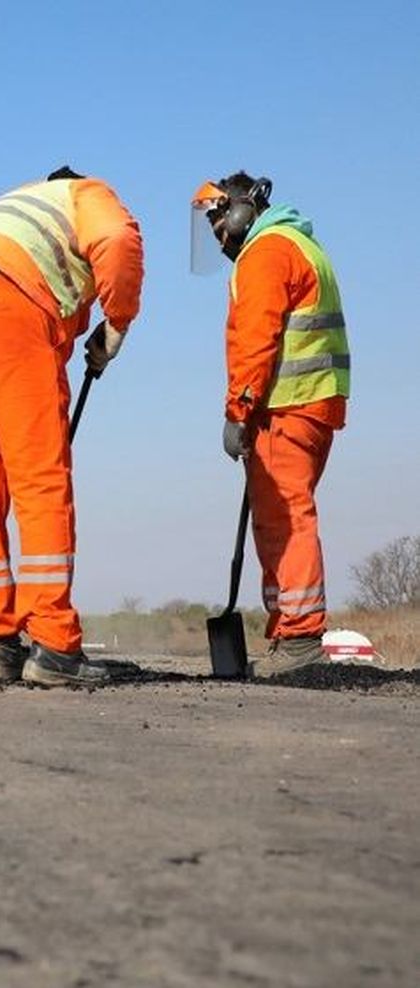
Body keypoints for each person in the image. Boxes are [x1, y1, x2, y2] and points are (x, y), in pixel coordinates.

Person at [0, 167, 144, 686]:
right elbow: (116, 239)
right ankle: (55, 647)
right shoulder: (85, 193)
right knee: (40, 479)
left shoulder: (11, 209)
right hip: (3, 306)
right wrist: (117, 325)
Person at [191, 172, 350, 678]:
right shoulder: (303, 244)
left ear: (244, 208)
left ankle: (300, 636)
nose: (219, 237)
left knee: (284, 518)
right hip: (311, 406)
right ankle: (287, 630)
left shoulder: (265, 252)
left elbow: (255, 341)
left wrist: (238, 411)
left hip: (283, 407)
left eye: (221, 223)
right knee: (279, 515)